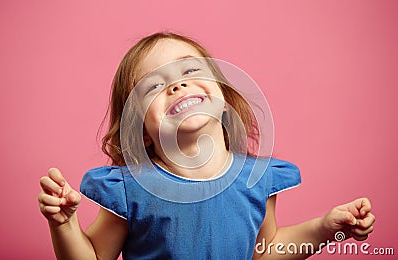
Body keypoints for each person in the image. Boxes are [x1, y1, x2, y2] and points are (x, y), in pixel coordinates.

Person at [38, 32, 375, 260]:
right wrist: (64, 224)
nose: (178, 85)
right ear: (139, 131)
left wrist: (325, 229)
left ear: (225, 98)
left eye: (190, 70)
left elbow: (266, 250)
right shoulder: (131, 189)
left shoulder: (256, 179)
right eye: (154, 85)